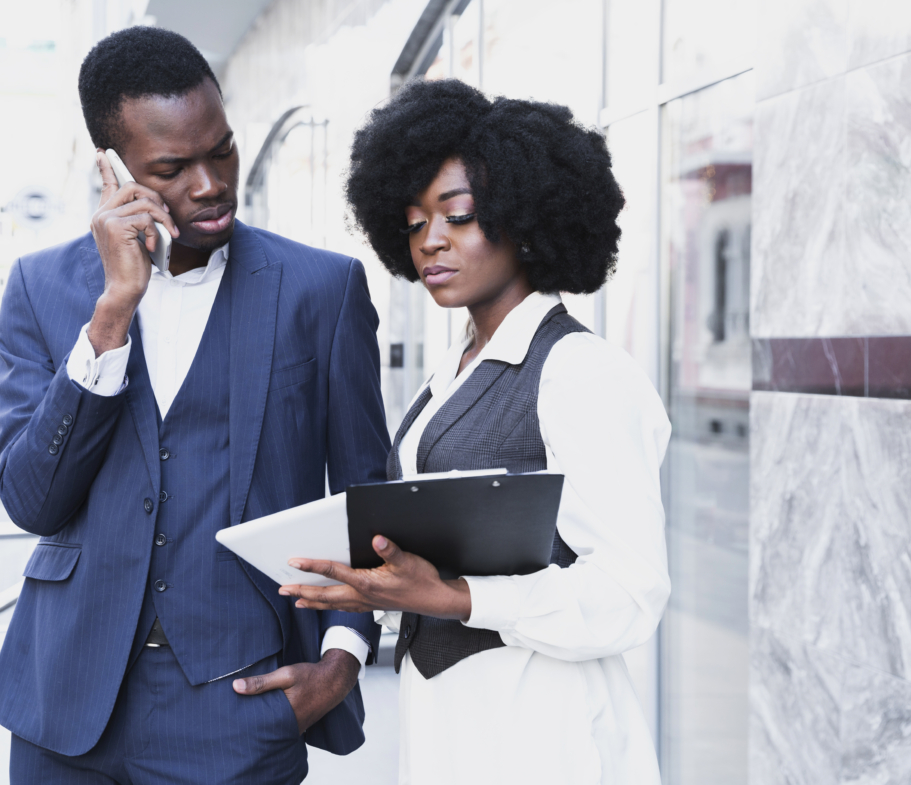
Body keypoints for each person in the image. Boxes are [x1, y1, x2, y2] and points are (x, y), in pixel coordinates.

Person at [0, 27, 390, 785]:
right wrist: (111, 315)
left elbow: (368, 494)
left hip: (236, 703)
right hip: (64, 705)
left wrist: (343, 655)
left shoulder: (321, 290)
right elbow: (32, 499)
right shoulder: (40, 288)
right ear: (113, 170)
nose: (210, 184)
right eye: (172, 167)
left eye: (223, 151)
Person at [281, 78, 672, 784]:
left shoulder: (579, 372)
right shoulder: (452, 374)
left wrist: (455, 595)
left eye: (457, 216)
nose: (431, 240)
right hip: (450, 723)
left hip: (543, 728)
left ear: (525, 216)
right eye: (413, 223)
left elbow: (630, 593)